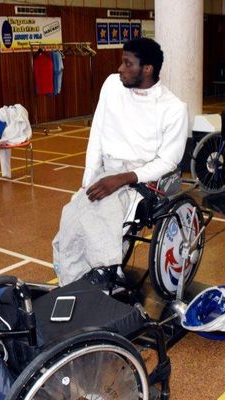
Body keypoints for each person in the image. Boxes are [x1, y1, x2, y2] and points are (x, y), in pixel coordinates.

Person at [52, 38, 188, 286]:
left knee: (102, 218)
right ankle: (72, 281)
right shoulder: (112, 85)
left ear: (147, 69)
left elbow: (169, 161)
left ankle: (104, 274)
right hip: (106, 172)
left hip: (142, 179)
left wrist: (123, 178)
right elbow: (98, 132)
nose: (120, 68)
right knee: (71, 217)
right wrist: (88, 179)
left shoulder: (174, 108)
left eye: (128, 63)